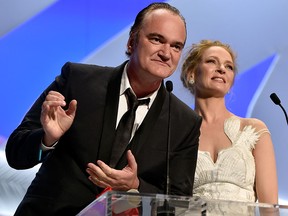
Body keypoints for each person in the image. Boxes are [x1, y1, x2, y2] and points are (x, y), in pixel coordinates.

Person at [5, 3, 202, 215]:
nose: (166, 53)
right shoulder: (77, 80)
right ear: (131, 41)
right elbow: (15, 154)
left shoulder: (184, 122)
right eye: (156, 39)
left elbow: (178, 204)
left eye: (176, 46)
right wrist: (47, 139)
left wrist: (134, 186)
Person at [181, 40, 278, 205]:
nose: (221, 69)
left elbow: (269, 207)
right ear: (191, 73)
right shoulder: (176, 134)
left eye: (229, 67)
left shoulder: (253, 130)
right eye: (212, 61)